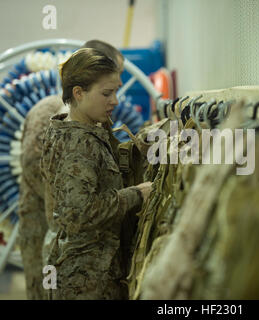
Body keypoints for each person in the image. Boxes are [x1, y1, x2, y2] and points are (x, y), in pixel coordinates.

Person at [17, 40, 127, 300]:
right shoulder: (62, 119)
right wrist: (71, 206)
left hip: (69, 231)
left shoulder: (91, 120)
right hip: (45, 224)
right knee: (43, 288)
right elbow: (36, 169)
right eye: (108, 87)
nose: (114, 96)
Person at [40, 47, 152, 299]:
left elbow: (100, 172)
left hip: (97, 271)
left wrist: (136, 152)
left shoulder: (81, 129)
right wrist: (137, 194)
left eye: (116, 91)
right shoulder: (77, 144)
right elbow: (79, 214)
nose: (115, 100)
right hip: (87, 280)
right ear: (78, 93)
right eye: (106, 93)